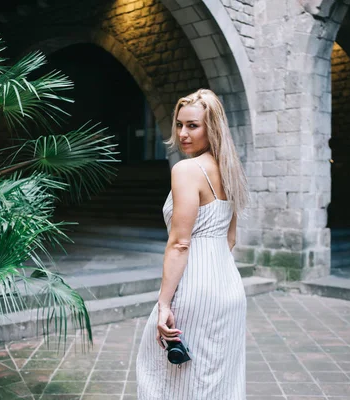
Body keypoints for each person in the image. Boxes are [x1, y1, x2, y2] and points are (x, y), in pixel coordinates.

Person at [136, 89, 249, 399]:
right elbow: (230, 237)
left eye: (193, 125)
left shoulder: (186, 170)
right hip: (227, 286)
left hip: (194, 287)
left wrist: (164, 304)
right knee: (217, 381)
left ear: (212, 127)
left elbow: (179, 244)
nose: (183, 133)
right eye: (179, 124)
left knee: (164, 376)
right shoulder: (230, 169)